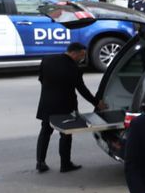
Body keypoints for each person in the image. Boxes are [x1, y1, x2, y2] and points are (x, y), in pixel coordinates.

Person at [35, 42, 99, 173]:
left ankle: (40, 162)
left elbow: (41, 79)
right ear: (74, 53)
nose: (82, 58)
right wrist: (96, 103)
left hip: (47, 104)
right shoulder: (74, 68)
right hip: (66, 106)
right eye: (81, 55)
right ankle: (65, 164)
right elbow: (82, 89)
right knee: (66, 134)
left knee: (45, 132)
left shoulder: (47, 60)